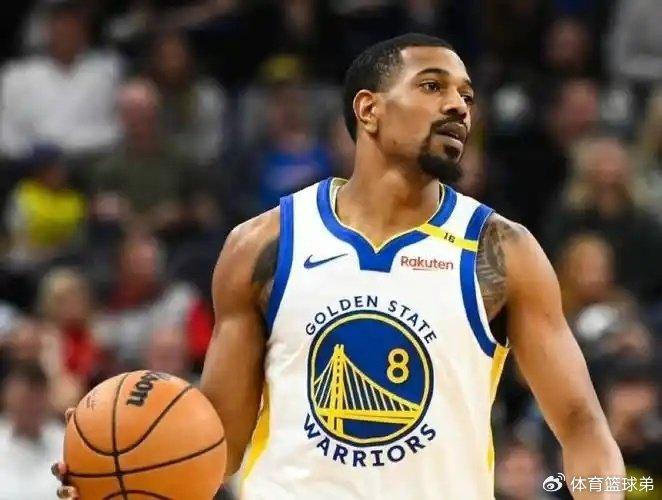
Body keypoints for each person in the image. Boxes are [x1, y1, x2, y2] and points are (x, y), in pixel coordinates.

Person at [55, 33, 624, 499]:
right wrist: (119, 470)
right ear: (368, 109)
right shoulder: (264, 245)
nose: (458, 105)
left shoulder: (501, 250)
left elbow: (582, 426)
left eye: (467, 96)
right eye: (432, 86)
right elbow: (219, 446)